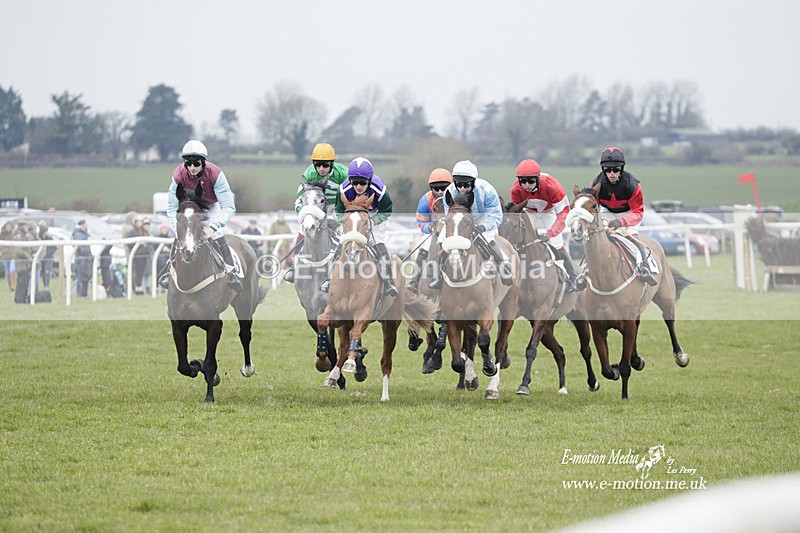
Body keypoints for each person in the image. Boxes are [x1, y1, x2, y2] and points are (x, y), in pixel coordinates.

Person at [160, 139, 242, 292]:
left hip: (210, 206)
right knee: (181, 235)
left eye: (196, 163)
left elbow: (229, 207)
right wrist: (178, 226)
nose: (192, 167)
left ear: (203, 162)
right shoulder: (178, 175)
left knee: (217, 234)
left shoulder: (216, 174)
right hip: (189, 207)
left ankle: (232, 272)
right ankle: (168, 271)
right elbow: (171, 208)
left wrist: (213, 227)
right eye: (188, 163)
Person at [428, 160, 513, 289]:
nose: (462, 188)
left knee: (488, 238)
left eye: (466, 184)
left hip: (483, 219)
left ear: (473, 182)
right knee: (442, 238)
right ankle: (438, 274)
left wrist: (483, 227)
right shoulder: (449, 191)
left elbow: (496, 215)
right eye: (458, 184)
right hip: (461, 220)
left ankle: (503, 268)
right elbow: (449, 215)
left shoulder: (487, 190)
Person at [322, 157, 397, 297]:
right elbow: (339, 211)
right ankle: (329, 278)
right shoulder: (343, 189)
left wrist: (373, 221)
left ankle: (389, 282)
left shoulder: (379, 190)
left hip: (374, 215)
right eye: (354, 182)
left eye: (363, 182)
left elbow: (386, 210)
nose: (358, 187)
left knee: (378, 243)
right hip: (352, 217)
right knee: (342, 243)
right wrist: (345, 222)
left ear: (369, 180)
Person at [589, 146, 657, 286]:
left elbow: (638, 212)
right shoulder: (596, 184)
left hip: (629, 213)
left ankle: (645, 267)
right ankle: (586, 270)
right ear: (603, 169)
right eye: (608, 170)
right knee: (597, 238)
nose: (612, 173)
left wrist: (621, 222)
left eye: (616, 169)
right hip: (607, 211)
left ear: (622, 168)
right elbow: (593, 206)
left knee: (631, 236)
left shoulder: (632, 185)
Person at [510, 159, 580, 292]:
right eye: (522, 181)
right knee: (521, 241)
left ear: (537, 178)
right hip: (529, 211)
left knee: (556, 243)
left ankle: (572, 278)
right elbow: (516, 214)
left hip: (550, 211)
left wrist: (550, 234)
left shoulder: (552, 186)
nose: (526, 185)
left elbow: (563, 214)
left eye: (531, 181)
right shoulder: (516, 190)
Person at [284, 143, 348, 283]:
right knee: (303, 229)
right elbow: (298, 201)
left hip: (338, 209)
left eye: (325, 165)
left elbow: (350, 199)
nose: (321, 169)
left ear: (332, 164)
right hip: (316, 210)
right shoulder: (308, 175)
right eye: (317, 165)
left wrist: (337, 219)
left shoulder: (344, 174)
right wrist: (306, 214)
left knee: (345, 234)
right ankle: (294, 267)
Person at [406, 168, 452, 293]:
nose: (440, 192)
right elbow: (421, 221)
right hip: (435, 231)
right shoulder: (426, 200)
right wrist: (430, 227)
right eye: (436, 189)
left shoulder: (455, 197)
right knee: (424, 247)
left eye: (443, 188)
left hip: (453, 231)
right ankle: (414, 281)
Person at [13, 220, 36, 303]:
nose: (27, 227)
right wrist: (28, 257)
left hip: (26, 264)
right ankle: (19, 299)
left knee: (25, 282)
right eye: (25, 226)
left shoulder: (25, 236)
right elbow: (18, 250)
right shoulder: (18, 237)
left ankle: (24, 298)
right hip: (21, 264)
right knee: (21, 282)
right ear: (21, 226)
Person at [72, 219, 92, 297]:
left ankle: (82, 293)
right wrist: (87, 252)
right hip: (82, 258)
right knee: (81, 277)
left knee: (82, 277)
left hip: (84, 258)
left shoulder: (82, 233)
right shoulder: (79, 234)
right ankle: (80, 293)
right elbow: (82, 247)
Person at [37, 220, 56, 290]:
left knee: (47, 271)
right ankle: (44, 284)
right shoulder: (39, 238)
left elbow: (54, 247)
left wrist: (49, 253)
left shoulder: (49, 238)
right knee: (43, 272)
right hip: (42, 257)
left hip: (49, 257)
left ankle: (47, 285)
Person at [1, 220, 16, 291]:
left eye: (10, 226)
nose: (9, 228)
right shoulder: (1, 235)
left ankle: (13, 285)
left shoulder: (14, 234)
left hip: (13, 255)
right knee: (7, 271)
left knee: (12, 269)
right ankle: (10, 286)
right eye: (7, 226)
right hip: (5, 256)